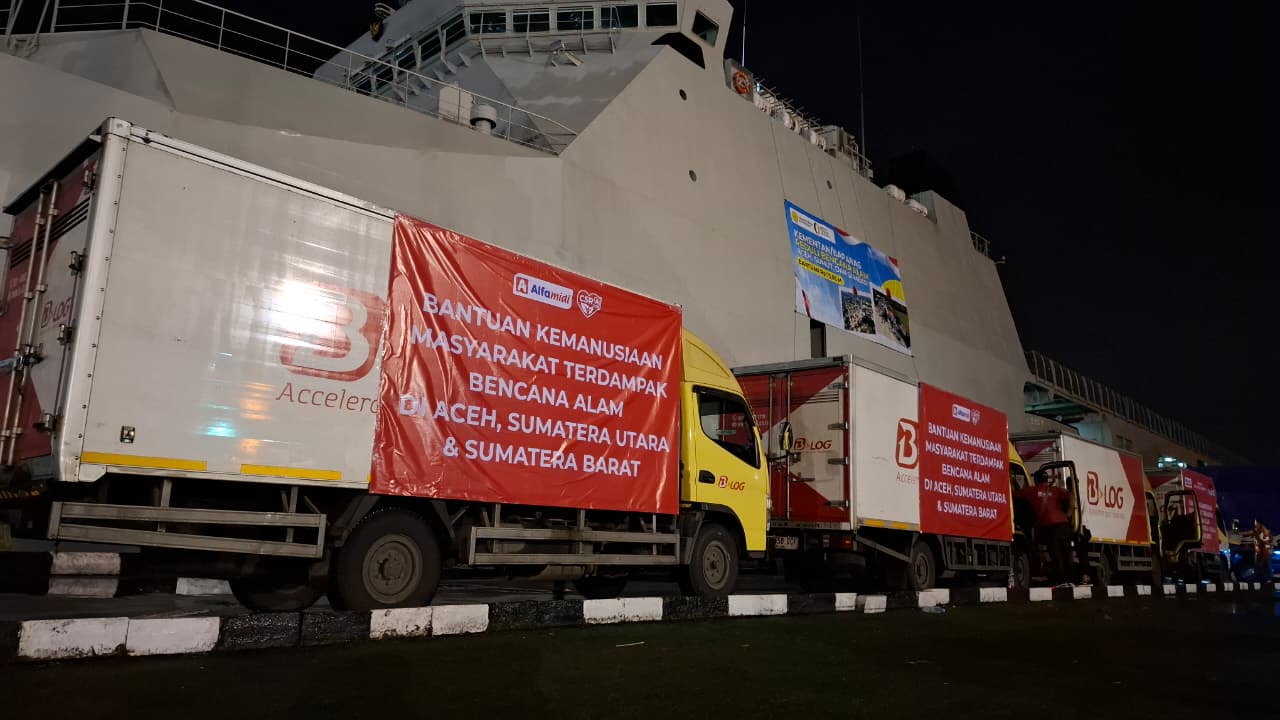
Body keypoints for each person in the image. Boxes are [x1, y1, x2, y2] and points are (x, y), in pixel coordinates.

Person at [1016, 471, 1074, 585]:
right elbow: (1071, 496)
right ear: (1047, 479)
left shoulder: (1032, 491)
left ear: (1036, 480)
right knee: (1067, 554)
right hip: (1064, 525)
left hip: (1050, 527)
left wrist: (1014, 481)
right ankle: (1071, 580)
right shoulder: (1056, 490)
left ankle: (1061, 581)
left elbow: (1015, 494)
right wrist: (1069, 513)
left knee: (1056, 555)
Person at [1243, 516, 1273, 581]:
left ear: (1258, 523)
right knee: (1264, 568)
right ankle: (1266, 580)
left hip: (1263, 553)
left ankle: (1264, 580)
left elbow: (1265, 541)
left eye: (1255, 522)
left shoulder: (1261, 531)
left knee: (1261, 568)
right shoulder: (1260, 530)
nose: (1255, 524)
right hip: (1264, 553)